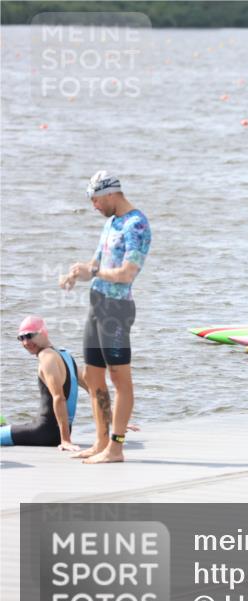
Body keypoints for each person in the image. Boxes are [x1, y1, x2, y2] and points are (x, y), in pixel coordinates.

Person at [58, 170, 151, 463]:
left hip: (117, 310)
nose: (94, 206)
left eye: (96, 200)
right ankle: (100, 442)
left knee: (120, 379)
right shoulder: (111, 223)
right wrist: (77, 273)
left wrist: (94, 272)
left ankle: (116, 447)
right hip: (97, 305)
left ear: (111, 194)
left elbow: (126, 273)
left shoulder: (136, 225)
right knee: (93, 375)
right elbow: (96, 264)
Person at [1, 316, 87, 450]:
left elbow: (59, 398)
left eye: (29, 336)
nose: (25, 342)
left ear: (43, 333)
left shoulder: (46, 356)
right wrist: (112, 420)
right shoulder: (66, 355)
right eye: (21, 338)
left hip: (45, 433)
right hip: (51, 432)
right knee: (6, 424)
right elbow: (94, 389)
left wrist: (65, 440)